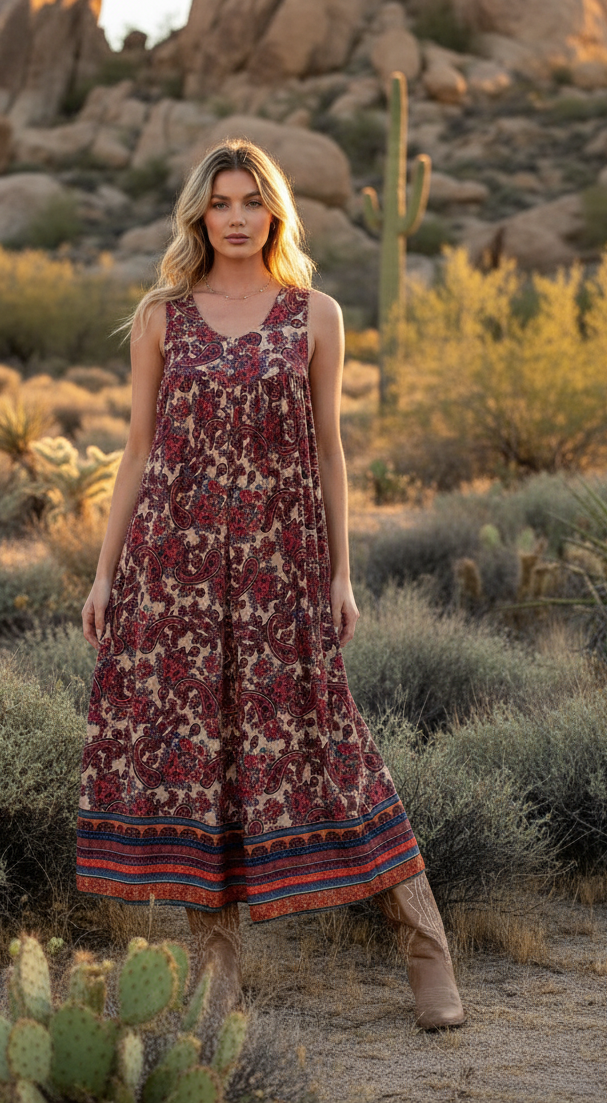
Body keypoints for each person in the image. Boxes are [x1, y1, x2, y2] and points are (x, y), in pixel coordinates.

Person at [78, 139, 465, 1031]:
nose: (239, 216)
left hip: (280, 569)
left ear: (276, 211)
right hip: (172, 576)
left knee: (334, 745)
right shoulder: (161, 318)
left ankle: (426, 948)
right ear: (199, 216)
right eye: (221, 203)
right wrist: (106, 575)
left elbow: (329, 449)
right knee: (198, 767)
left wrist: (341, 569)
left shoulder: (314, 314)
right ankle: (217, 979)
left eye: (253, 200)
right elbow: (137, 452)